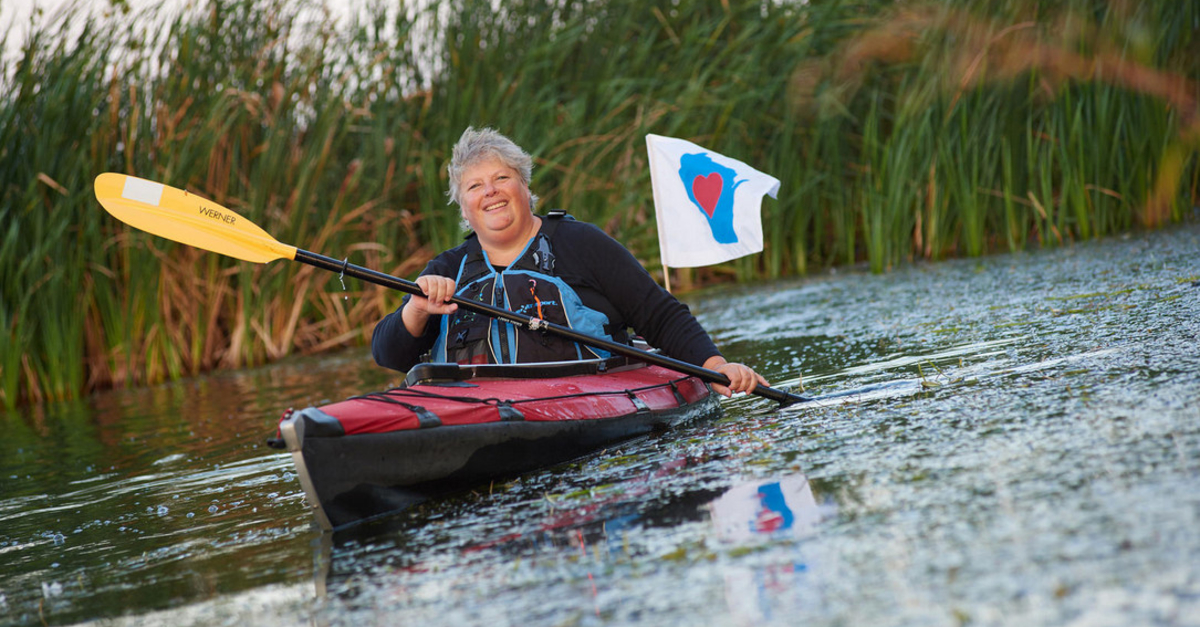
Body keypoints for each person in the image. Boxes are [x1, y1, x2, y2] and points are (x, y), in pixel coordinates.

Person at [371, 127, 767, 397]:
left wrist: (716, 365)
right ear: (464, 207)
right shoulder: (446, 270)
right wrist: (416, 309)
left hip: (584, 398)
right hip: (473, 407)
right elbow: (388, 355)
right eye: (475, 186)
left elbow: (659, 315)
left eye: (502, 178)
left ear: (525, 187)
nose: (490, 191)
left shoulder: (580, 244)